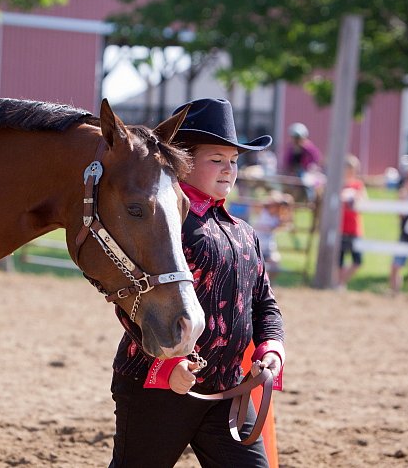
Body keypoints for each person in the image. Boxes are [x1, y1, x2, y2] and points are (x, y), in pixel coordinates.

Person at [109, 98, 286, 468]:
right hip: (156, 390)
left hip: (227, 390)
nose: (228, 170)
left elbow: (264, 304)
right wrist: (166, 364)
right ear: (184, 164)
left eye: (234, 161)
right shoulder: (167, 227)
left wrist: (271, 350)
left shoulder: (244, 233)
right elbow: (132, 299)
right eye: (216, 159)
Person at [338, 154, 367, 289]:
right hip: (340, 227)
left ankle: (341, 282)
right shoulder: (337, 185)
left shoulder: (358, 185)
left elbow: (364, 202)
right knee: (339, 260)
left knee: (357, 260)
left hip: (354, 227)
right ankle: (339, 284)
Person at [253, 190, 293, 279]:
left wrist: (287, 204)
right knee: (254, 267)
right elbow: (257, 203)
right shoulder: (262, 211)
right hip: (255, 245)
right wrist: (274, 198)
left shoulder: (278, 216)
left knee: (275, 265)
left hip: (268, 247)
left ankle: (268, 286)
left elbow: (289, 223)